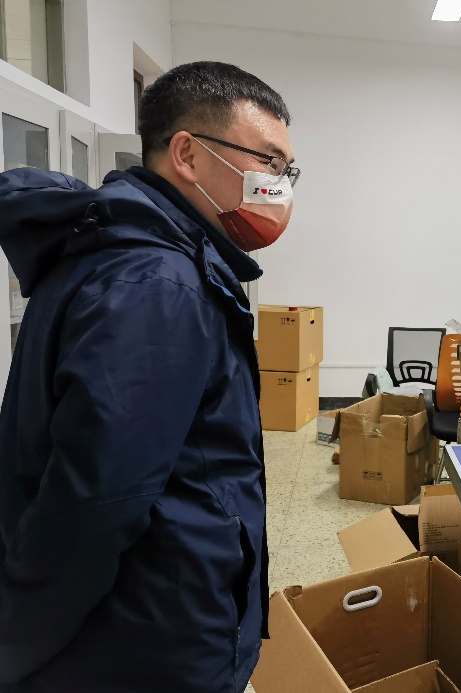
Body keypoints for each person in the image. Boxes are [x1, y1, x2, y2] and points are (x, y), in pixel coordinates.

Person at [0, 61, 296, 692]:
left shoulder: (135, 254)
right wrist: (15, 643)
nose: (279, 184)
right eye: (268, 160)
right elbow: (96, 501)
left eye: (287, 169)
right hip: (147, 639)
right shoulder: (157, 285)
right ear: (187, 154)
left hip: (139, 620)